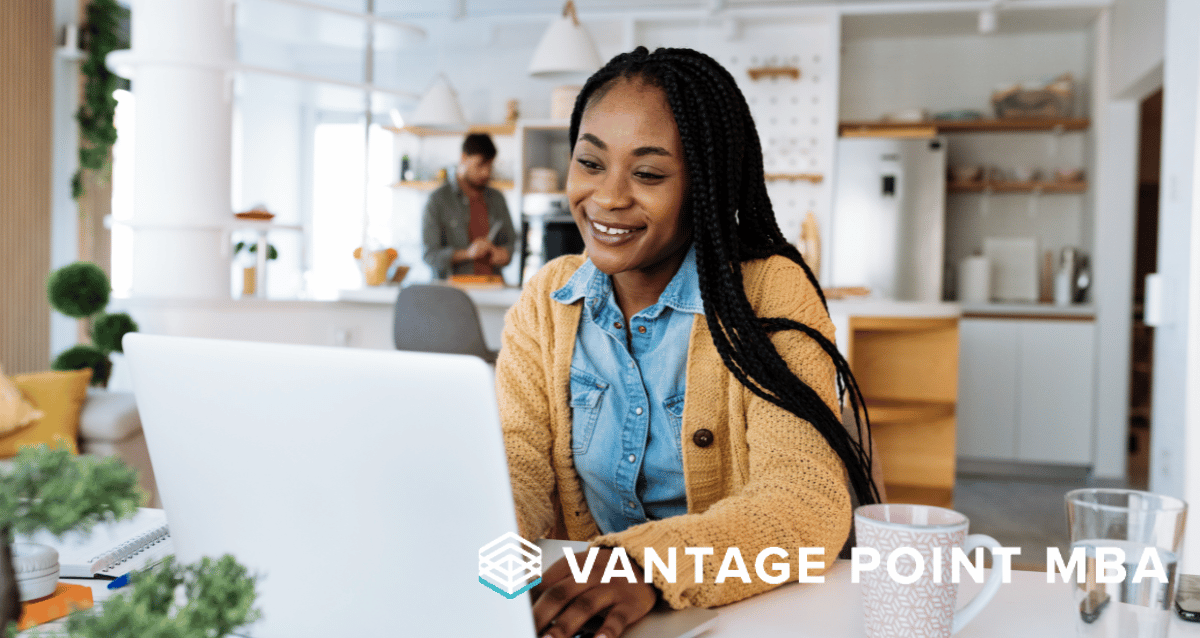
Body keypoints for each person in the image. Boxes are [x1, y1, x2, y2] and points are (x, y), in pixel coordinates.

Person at [496, 46, 879, 638]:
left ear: (705, 184)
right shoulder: (548, 297)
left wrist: (642, 565)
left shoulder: (768, 291)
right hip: (589, 620)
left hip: (738, 615)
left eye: (648, 173)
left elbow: (804, 503)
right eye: (590, 163)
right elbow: (515, 472)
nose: (608, 197)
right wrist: (475, 556)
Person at [421, 133, 516, 280]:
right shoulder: (438, 200)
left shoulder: (497, 199)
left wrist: (503, 254)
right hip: (453, 292)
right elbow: (430, 255)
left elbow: (510, 245)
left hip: (493, 289)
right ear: (463, 158)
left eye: (489, 166)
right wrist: (467, 253)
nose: (486, 172)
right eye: (480, 165)